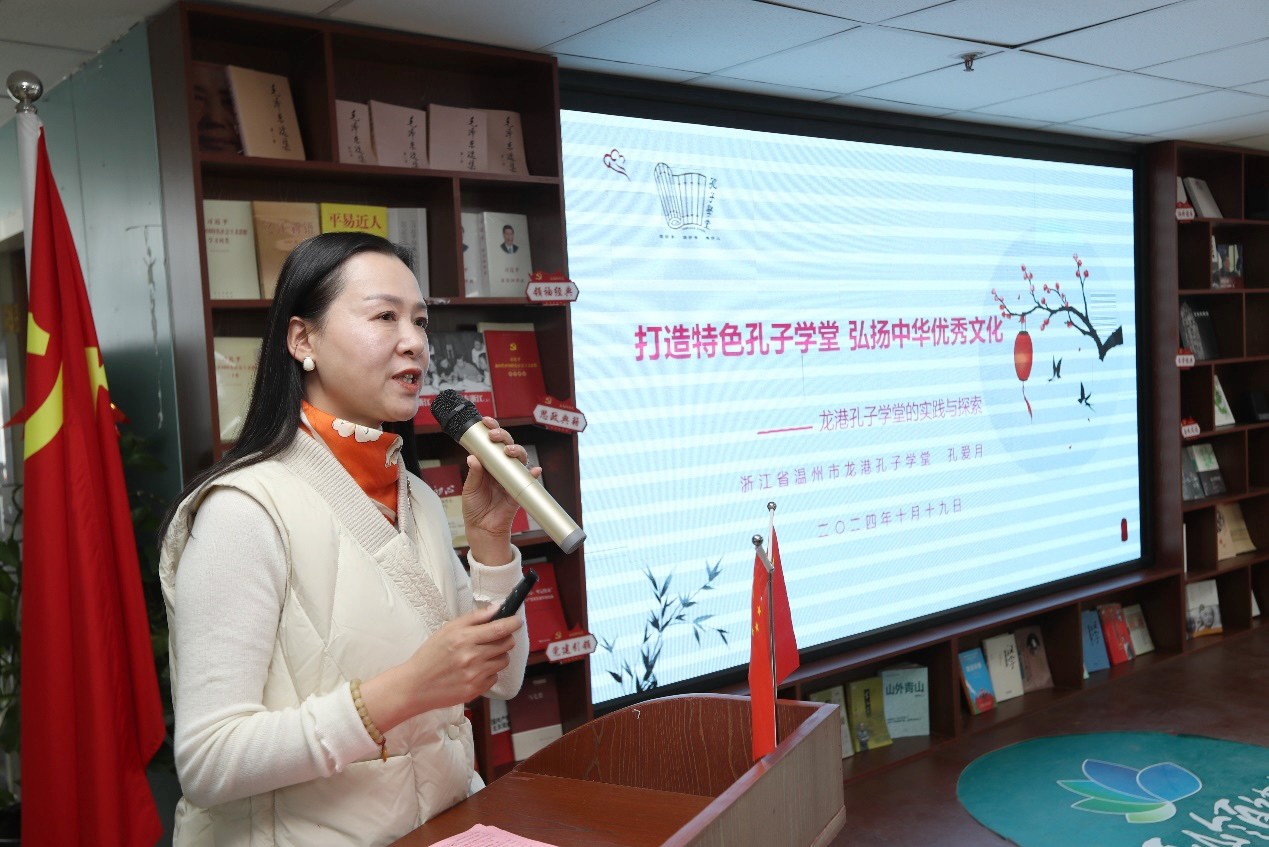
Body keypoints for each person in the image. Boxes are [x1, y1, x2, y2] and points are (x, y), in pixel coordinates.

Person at [158, 232, 532, 845]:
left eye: (420, 321)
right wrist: (404, 690)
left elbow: (503, 679)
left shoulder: (417, 498)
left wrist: (491, 541)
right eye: (384, 317)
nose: (414, 341)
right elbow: (208, 762)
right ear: (302, 340)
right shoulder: (242, 511)